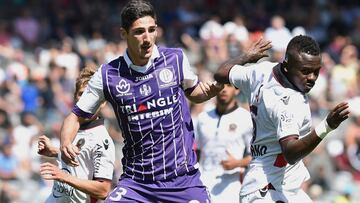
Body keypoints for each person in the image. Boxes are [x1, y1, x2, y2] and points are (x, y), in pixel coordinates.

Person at [60, 1, 224, 202]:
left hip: (182, 180)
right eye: (139, 32)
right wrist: (65, 141)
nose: (147, 39)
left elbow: (194, 91)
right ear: (123, 34)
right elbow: (75, 116)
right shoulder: (108, 74)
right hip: (137, 184)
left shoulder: (176, 59)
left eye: (151, 30)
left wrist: (209, 92)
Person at [214, 35, 350, 202]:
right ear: (286, 66)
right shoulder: (288, 101)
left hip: (282, 187)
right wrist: (327, 126)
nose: (313, 78)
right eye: (305, 71)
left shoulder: (261, 71)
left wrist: (246, 56)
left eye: (316, 71)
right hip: (267, 189)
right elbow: (291, 152)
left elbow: (220, 73)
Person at [38, 66, 115, 202]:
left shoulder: (102, 140)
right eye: (81, 94)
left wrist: (63, 177)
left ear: (102, 103)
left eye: (90, 94)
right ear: (75, 98)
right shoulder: (71, 127)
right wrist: (55, 152)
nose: (85, 99)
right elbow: (83, 158)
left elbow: (103, 190)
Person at [195, 83, 253, 203]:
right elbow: (197, 153)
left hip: (230, 187)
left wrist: (237, 163)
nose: (223, 89)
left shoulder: (246, 118)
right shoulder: (203, 118)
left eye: (228, 86)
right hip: (202, 183)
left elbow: (257, 157)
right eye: (220, 85)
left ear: (237, 90)